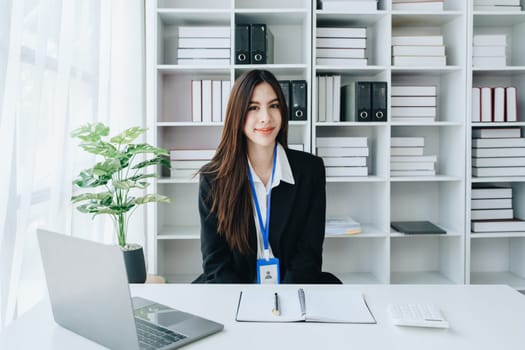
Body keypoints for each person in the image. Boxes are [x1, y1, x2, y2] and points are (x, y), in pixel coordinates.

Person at [194, 69, 341, 284]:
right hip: (232, 288)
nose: (266, 118)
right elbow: (215, 262)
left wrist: (282, 301)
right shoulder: (213, 179)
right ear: (237, 114)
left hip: (295, 283)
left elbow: (308, 255)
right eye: (253, 107)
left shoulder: (310, 170)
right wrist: (247, 304)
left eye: (274, 106)